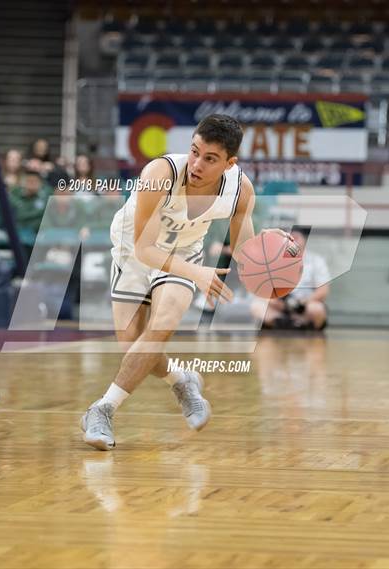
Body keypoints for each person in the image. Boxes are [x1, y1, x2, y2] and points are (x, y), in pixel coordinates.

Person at [81, 114, 299, 451]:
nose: (197, 163)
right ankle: (182, 381)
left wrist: (270, 261)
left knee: (163, 325)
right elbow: (145, 248)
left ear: (230, 163)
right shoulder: (159, 174)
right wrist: (198, 274)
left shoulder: (241, 191)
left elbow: (244, 253)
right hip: (133, 253)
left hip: (184, 253)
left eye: (210, 158)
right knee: (133, 348)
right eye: (194, 151)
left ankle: (102, 409)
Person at [251, 228, 330, 330]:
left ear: (305, 240)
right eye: (289, 237)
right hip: (280, 306)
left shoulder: (316, 260)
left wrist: (303, 302)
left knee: (317, 309)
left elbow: (323, 290)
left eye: (296, 237)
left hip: (304, 305)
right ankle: (283, 322)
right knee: (257, 306)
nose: (292, 240)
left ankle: (302, 323)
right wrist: (275, 302)